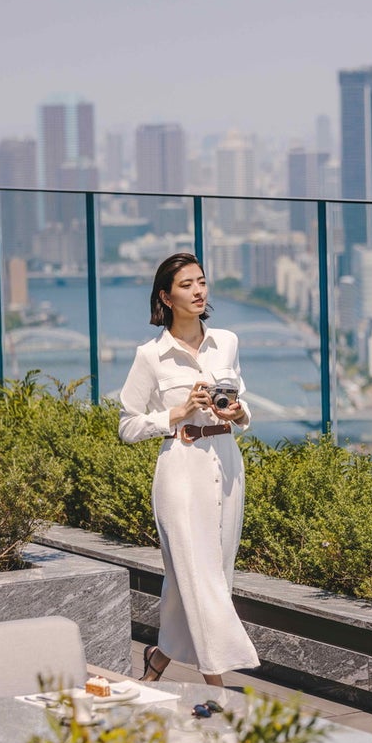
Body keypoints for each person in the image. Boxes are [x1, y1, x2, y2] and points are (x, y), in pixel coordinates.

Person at [117, 252, 259, 687]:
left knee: (209, 576)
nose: (198, 291)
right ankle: (218, 689)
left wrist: (237, 412)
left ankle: (158, 659)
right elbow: (127, 426)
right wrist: (176, 413)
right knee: (199, 578)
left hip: (227, 465)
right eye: (186, 285)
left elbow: (243, 405)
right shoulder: (151, 356)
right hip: (180, 470)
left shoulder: (227, 342)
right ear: (166, 297)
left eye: (201, 281)